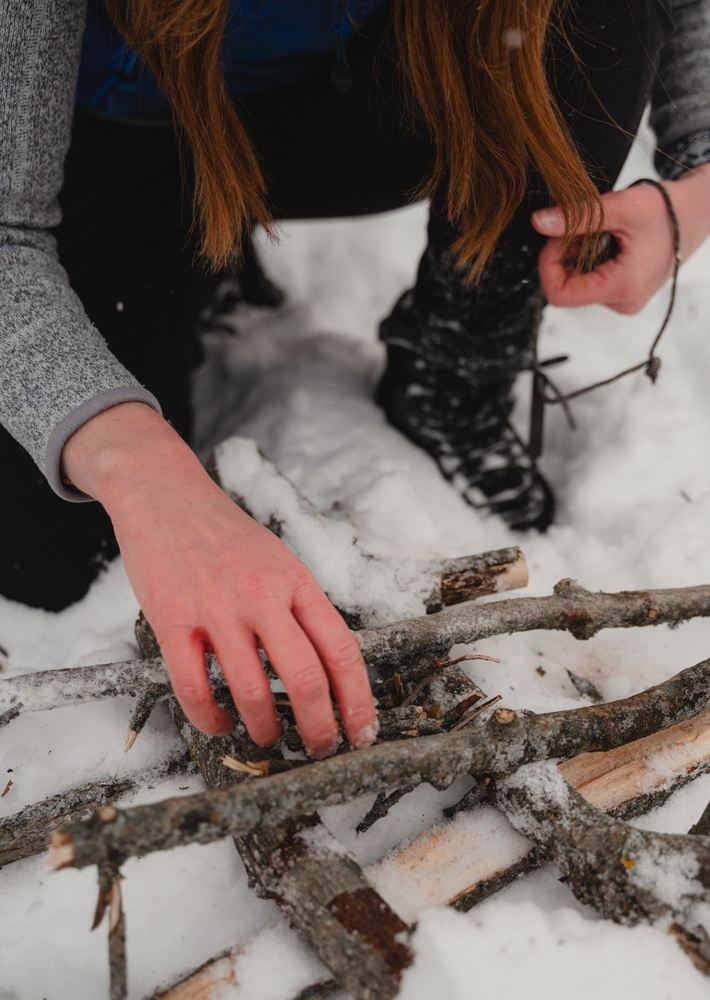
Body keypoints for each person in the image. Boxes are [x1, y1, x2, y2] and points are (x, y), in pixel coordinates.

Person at [1, 0, 709, 754]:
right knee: (49, 561)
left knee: (594, 18)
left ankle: (452, 378)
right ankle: (199, 242)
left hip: (372, 88)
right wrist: (144, 473)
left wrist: (699, 177)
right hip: (132, 125)